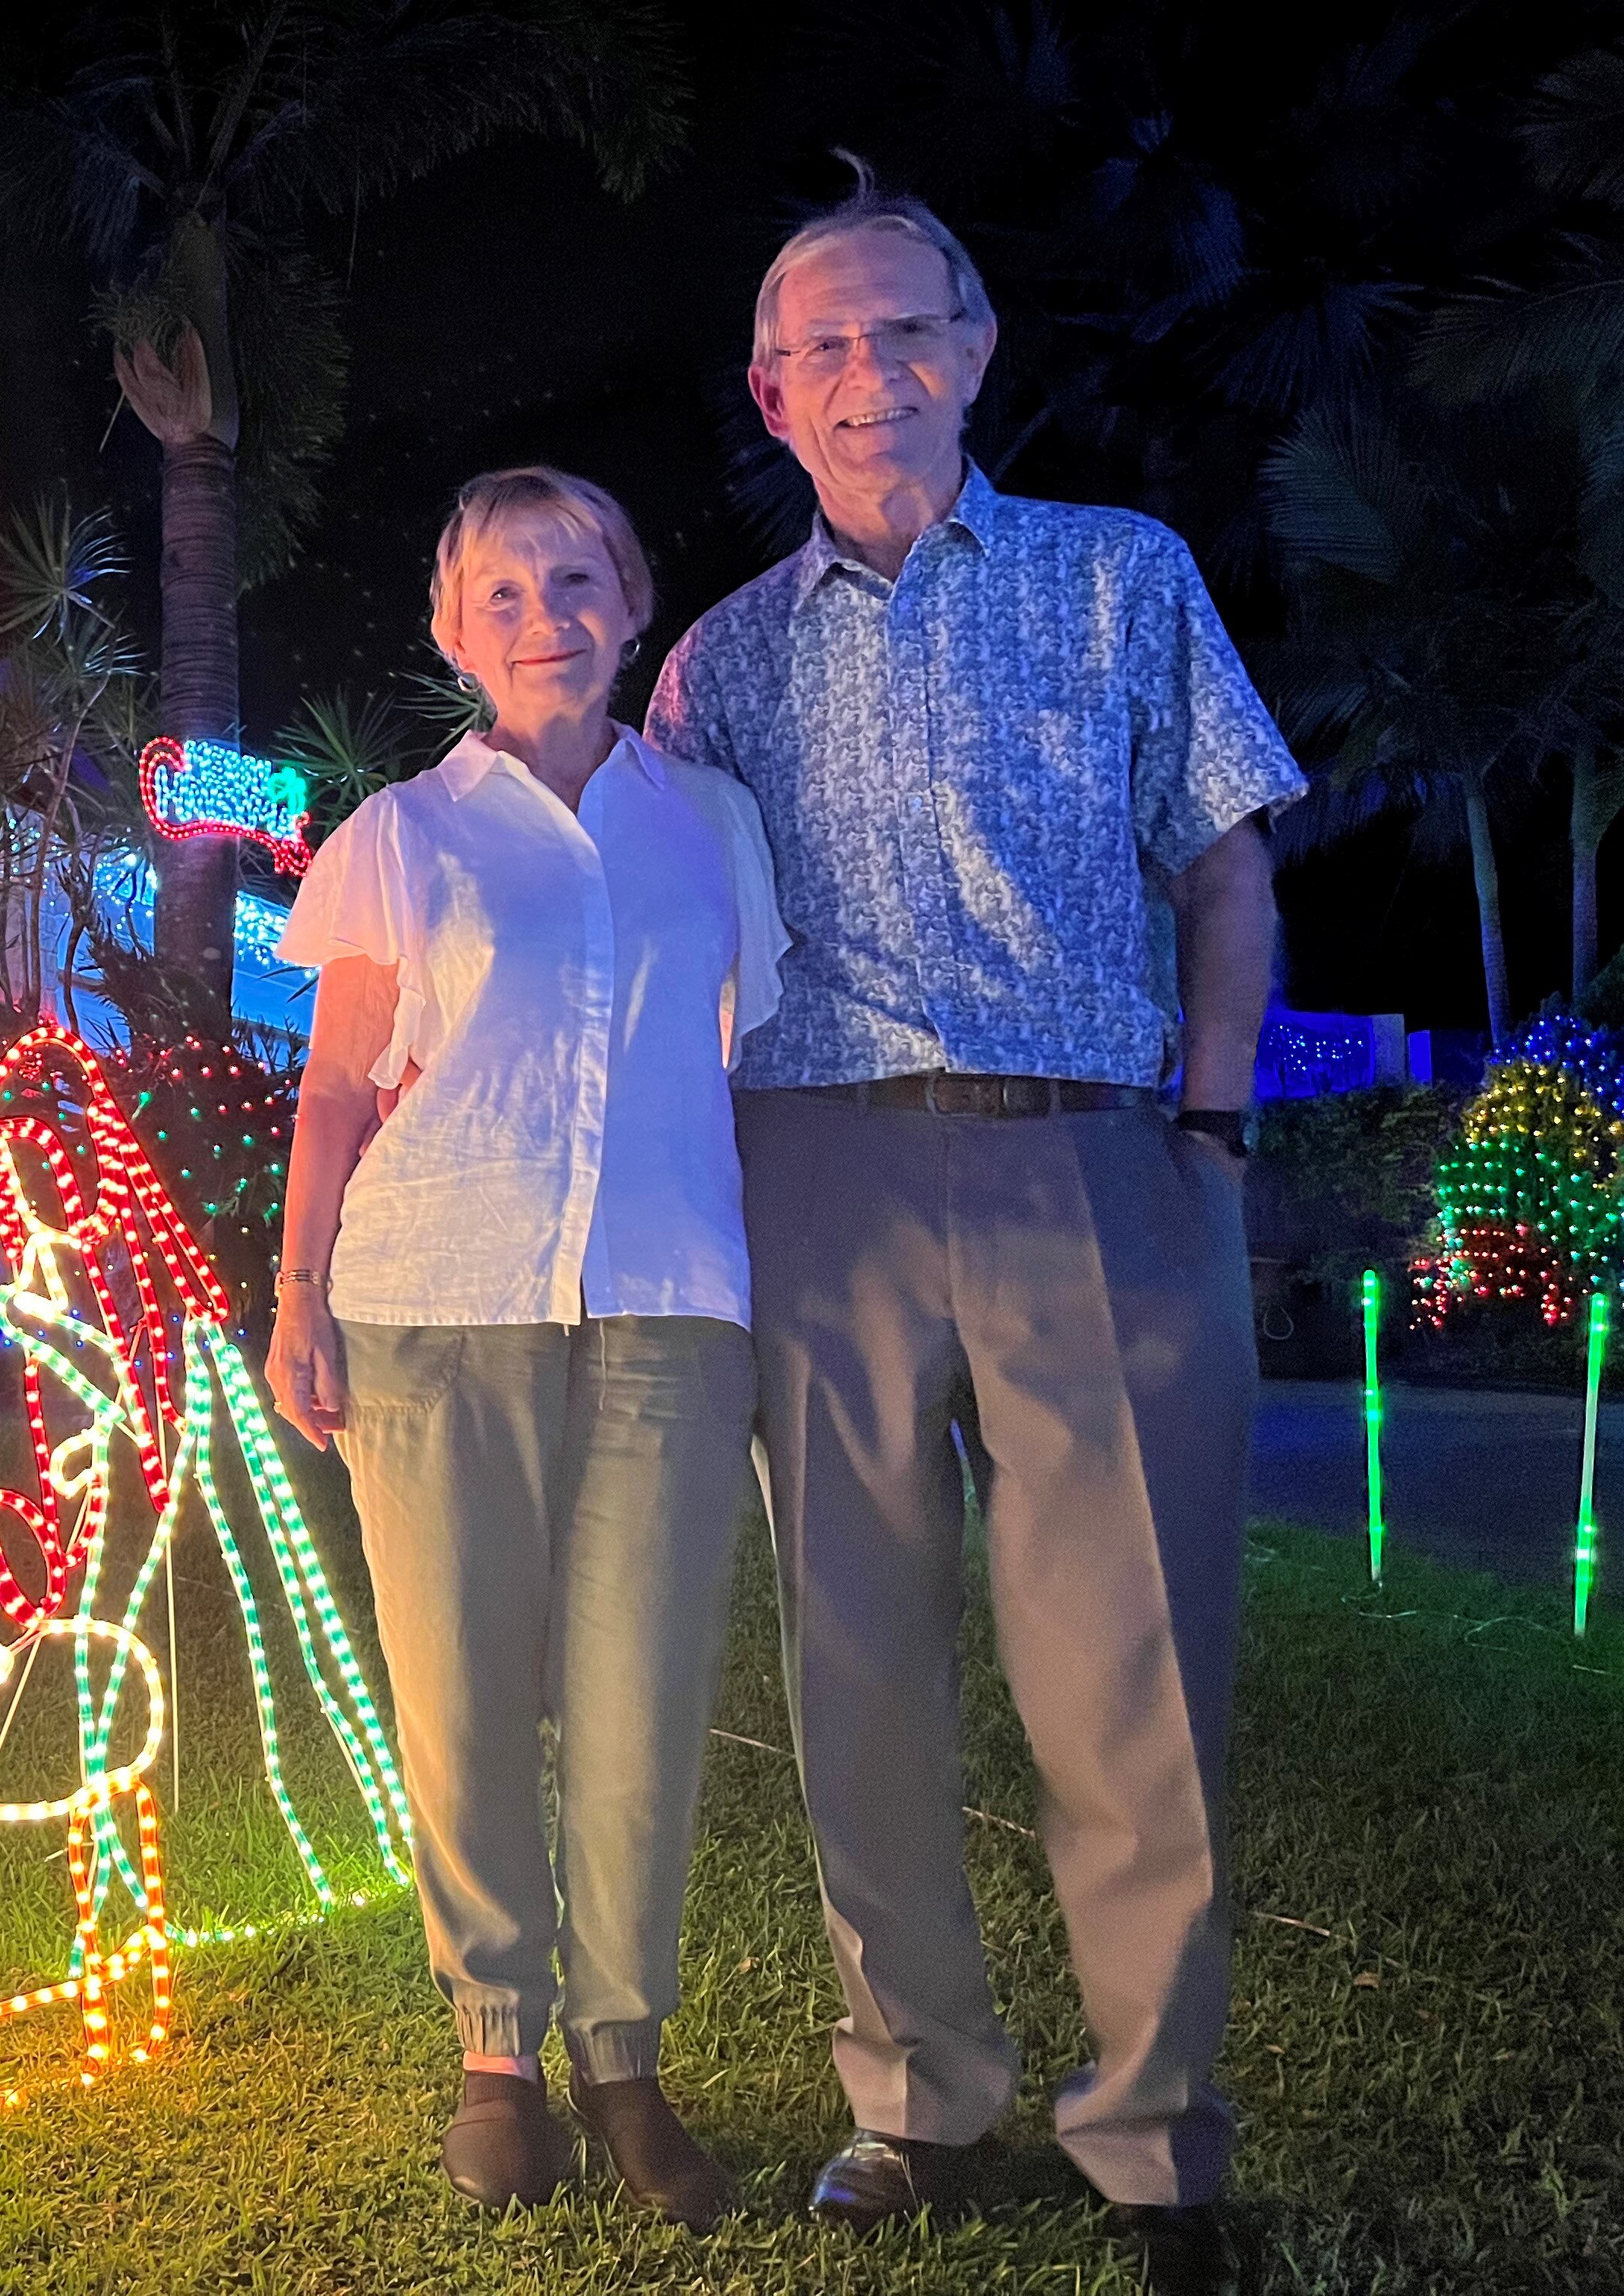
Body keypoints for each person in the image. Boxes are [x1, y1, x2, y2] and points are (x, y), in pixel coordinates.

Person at [643, 171, 1305, 2296]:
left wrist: (1208, 1121)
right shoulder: (716, 662)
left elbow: (1224, 868)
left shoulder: (1122, 578)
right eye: (823, 346)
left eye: (905, 330)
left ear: (976, 348)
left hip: (1091, 1161)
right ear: (771, 391)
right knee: (856, 1664)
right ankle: (916, 2098)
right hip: (813, 1176)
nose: (869, 374)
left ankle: (1152, 2136)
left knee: (1130, 1676)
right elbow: (650, 942)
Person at [268, 465, 787, 2219]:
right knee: (463, 1688)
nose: (544, 615)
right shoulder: (404, 837)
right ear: (451, 630)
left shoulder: (710, 826)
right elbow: (337, 1090)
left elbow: (736, 1067)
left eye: (577, 577)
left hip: (666, 1294)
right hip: (433, 1292)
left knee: (643, 1688)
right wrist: (296, 1304)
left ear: (635, 598)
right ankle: (500, 2047)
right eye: (502, 591)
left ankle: (626, 2059)